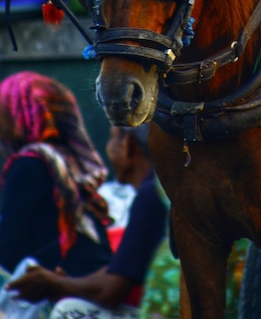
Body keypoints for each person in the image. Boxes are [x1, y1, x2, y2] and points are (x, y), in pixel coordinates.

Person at [7, 124, 168, 319]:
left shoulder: (153, 195)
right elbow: (118, 271)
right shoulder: (162, 188)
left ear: (128, 145)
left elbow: (111, 290)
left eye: (112, 138)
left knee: (68, 311)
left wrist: (55, 283)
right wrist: (62, 283)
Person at [0, 71, 112, 278]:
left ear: (17, 115)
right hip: (92, 279)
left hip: (61, 286)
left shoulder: (30, 165)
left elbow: (8, 247)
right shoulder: (72, 160)